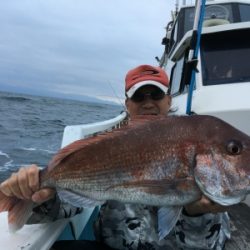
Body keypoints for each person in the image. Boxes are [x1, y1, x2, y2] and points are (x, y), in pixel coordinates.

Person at [0, 65, 230, 250]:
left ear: (169, 101)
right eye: (139, 97)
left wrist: (195, 213)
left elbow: (212, 243)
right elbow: (65, 207)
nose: (148, 102)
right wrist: (37, 193)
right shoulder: (106, 145)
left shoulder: (199, 147)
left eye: (156, 94)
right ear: (127, 105)